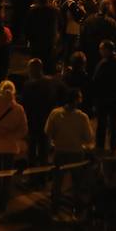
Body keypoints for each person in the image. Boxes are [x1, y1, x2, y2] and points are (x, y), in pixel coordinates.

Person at [45, 89, 94, 219]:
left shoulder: (55, 114)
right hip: (76, 153)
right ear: (77, 100)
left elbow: (48, 132)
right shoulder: (82, 117)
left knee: (57, 182)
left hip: (60, 151)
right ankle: (76, 210)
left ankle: (54, 209)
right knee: (76, 183)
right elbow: (88, 138)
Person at [0, 79, 29, 199]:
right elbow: (24, 130)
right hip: (11, 145)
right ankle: (5, 194)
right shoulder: (19, 109)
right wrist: (12, 135)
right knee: (8, 172)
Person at [92, 40, 116, 153]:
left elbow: (96, 81)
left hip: (104, 98)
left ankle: (100, 146)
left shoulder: (104, 64)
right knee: (114, 122)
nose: (100, 52)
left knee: (102, 123)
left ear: (107, 50)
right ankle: (113, 145)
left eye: (101, 49)